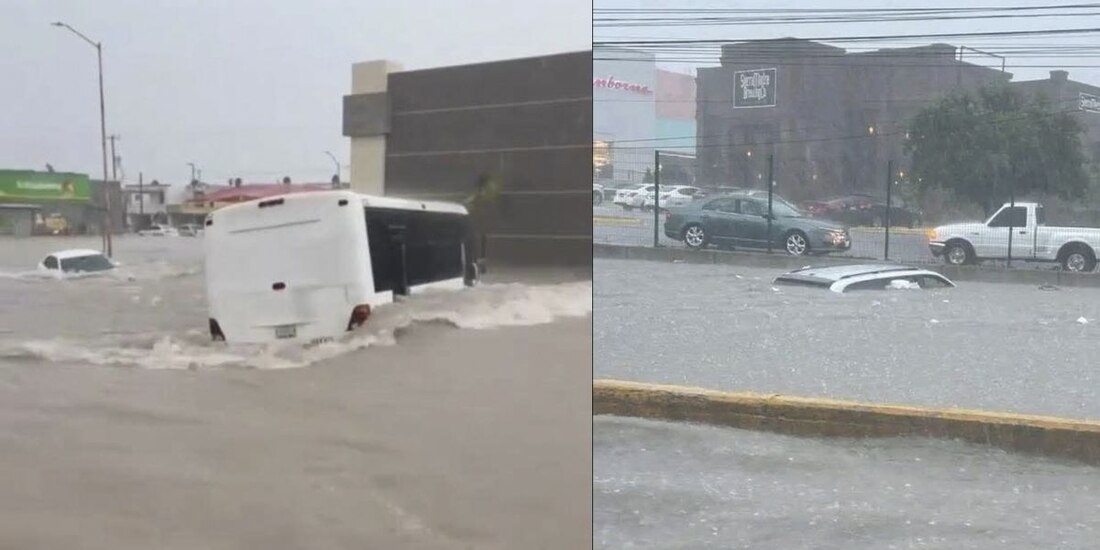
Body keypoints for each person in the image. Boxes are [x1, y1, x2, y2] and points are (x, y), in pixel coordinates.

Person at [464, 174, 503, 270]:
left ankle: (480, 263)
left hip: (480, 223)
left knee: (481, 241)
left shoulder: (482, 198)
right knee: (478, 241)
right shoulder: (478, 198)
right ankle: (479, 263)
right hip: (478, 223)